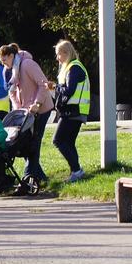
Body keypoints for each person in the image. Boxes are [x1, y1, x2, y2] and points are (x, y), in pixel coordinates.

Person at [0, 43, 54, 184]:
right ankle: (39, 176)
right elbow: (12, 92)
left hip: (41, 108)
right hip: (25, 112)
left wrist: (37, 103)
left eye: (4, 60)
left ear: (11, 56)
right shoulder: (9, 71)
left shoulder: (28, 64)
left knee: (34, 141)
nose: (3, 64)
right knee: (25, 142)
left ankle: (29, 174)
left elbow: (43, 84)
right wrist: (18, 109)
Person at [51, 40, 89, 183]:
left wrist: (55, 87)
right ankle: (76, 171)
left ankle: (77, 170)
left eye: (58, 54)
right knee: (68, 142)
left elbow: (69, 90)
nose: (57, 58)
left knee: (58, 140)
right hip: (76, 111)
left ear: (66, 53)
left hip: (73, 111)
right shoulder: (73, 67)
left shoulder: (73, 68)